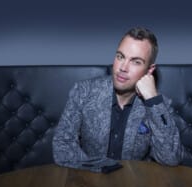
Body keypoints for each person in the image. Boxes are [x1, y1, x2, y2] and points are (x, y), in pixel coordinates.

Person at [52, 27, 182, 172]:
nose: (123, 67)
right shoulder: (83, 91)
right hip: (88, 183)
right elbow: (62, 145)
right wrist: (101, 169)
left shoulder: (159, 106)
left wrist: (152, 100)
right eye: (120, 56)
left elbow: (171, 158)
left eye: (136, 62)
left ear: (149, 70)